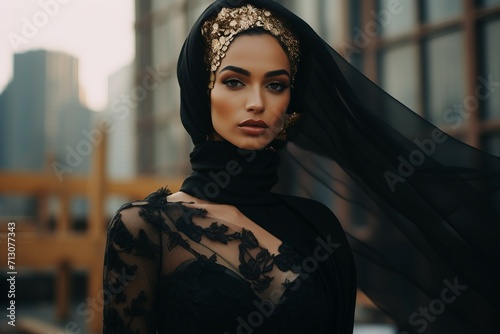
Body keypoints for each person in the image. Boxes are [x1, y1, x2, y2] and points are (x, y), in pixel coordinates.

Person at [103, 1, 500, 333]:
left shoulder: (319, 228)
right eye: (235, 81)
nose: (257, 102)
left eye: (276, 85)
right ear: (199, 90)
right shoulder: (145, 228)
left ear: (290, 105)